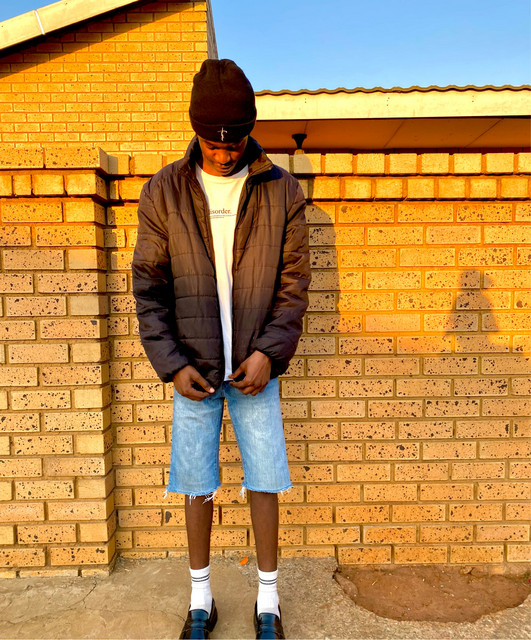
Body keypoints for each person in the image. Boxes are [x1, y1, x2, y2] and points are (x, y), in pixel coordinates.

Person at [132, 58, 310, 640]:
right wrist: (171, 364)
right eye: (214, 141)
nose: (225, 151)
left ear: (249, 130)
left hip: (256, 366)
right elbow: (149, 287)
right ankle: (200, 599)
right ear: (197, 130)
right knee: (195, 482)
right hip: (194, 368)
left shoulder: (282, 189)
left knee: (265, 479)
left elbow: (293, 285)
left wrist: (270, 354)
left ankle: (268, 601)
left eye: (234, 141)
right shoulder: (163, 190)